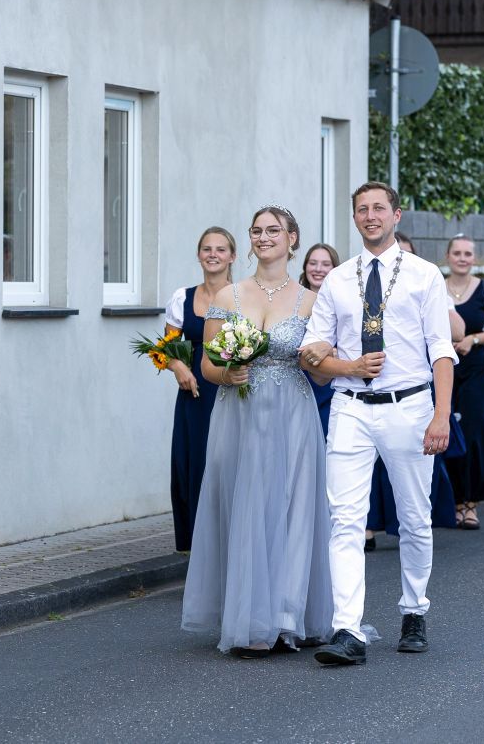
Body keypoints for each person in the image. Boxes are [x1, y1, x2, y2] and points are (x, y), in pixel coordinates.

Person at [298, 182, 457, 665]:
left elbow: (442, 350)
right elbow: (313, 353)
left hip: (409, 407)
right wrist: (346, 367)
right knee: (344, 520)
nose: (371, 216)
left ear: (396, 215)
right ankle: (348, 629)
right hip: (349, 406)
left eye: (379, 209)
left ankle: (414, 612)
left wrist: (440, 415)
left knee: (413, 517)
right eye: (362, 210)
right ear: (355, 218)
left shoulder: (425, 276)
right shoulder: (339, 280)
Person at [181, 207, 332, 657]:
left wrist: (320, 359)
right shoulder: (228, 296)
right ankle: (252, 620)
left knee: (293, 506)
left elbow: (323, 376)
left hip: (293, 415)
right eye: (257, 231)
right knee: (245, 506)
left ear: (292, 239)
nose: (264, 237)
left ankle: (289, 614)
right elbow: (207, 365)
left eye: (273, 231)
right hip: (240, 414)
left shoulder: (311, 301)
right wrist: (227, 375)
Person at [361, 235, 462, 548]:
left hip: (411, 390)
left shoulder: (426, 282)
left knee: (411, 480)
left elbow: (455, 333)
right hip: (366, 392)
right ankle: (369, 525)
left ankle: (413, 530)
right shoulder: (359, 282)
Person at [163, 226, 235, 553]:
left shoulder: (243, 296)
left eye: (220, 249)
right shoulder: (184, 297)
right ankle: (198, 554)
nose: (213, 255)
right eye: (207, 249)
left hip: (231, 391)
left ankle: (228, 548)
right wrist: (177, 366)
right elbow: (163, 347)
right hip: (193, 396)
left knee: (224, 466)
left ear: (232, 256)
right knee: (192, 465)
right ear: (198, 255)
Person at [444, 235, 484, 529]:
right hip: (443, 367)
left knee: (473, 431)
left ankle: (470, 503)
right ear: (448, 257)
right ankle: (452, 501)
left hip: (475, 368)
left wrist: (473, 338)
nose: (462, 258)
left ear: (474, 258)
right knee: (445, 430)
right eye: (457, 253)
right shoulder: (436, 286)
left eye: (468, 253)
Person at [299, 243, 341, 435]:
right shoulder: (294, 301)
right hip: (299, 382)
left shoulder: (343, 303)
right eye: (313, 263)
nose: (318, 269)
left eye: (325, 264)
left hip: (331, 386)